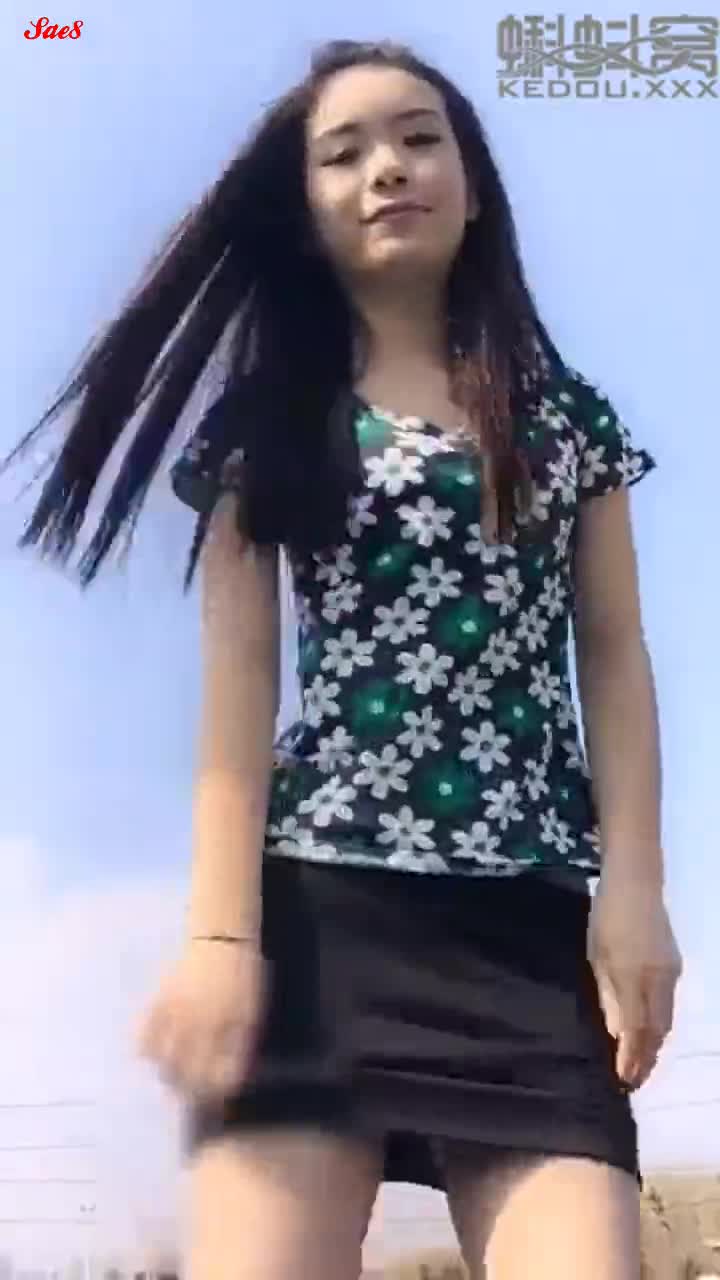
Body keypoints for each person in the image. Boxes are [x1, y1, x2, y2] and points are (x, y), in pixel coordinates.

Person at [1, 37, 683, 1280]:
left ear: (475, 186)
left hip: (530, 937)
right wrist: (222, 939)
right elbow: (240, 683)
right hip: (319, 927)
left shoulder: (567, 418)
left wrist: (635, 888)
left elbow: (615, 653)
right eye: (345, 153)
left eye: (420, 138)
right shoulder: (271, 423)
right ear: (305, 212)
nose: (388, 168)